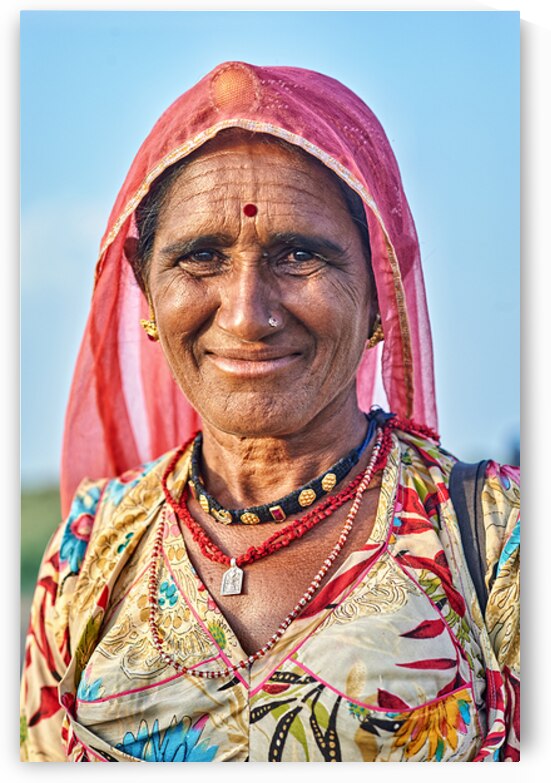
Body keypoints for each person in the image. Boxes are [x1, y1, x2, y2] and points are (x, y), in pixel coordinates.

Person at [20, 61, 520, 763]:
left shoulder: (498, 542)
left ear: (380, 290)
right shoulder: (90, 543)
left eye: (298, 254)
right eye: (201, 257)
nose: (247, 315)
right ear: (147, 291)